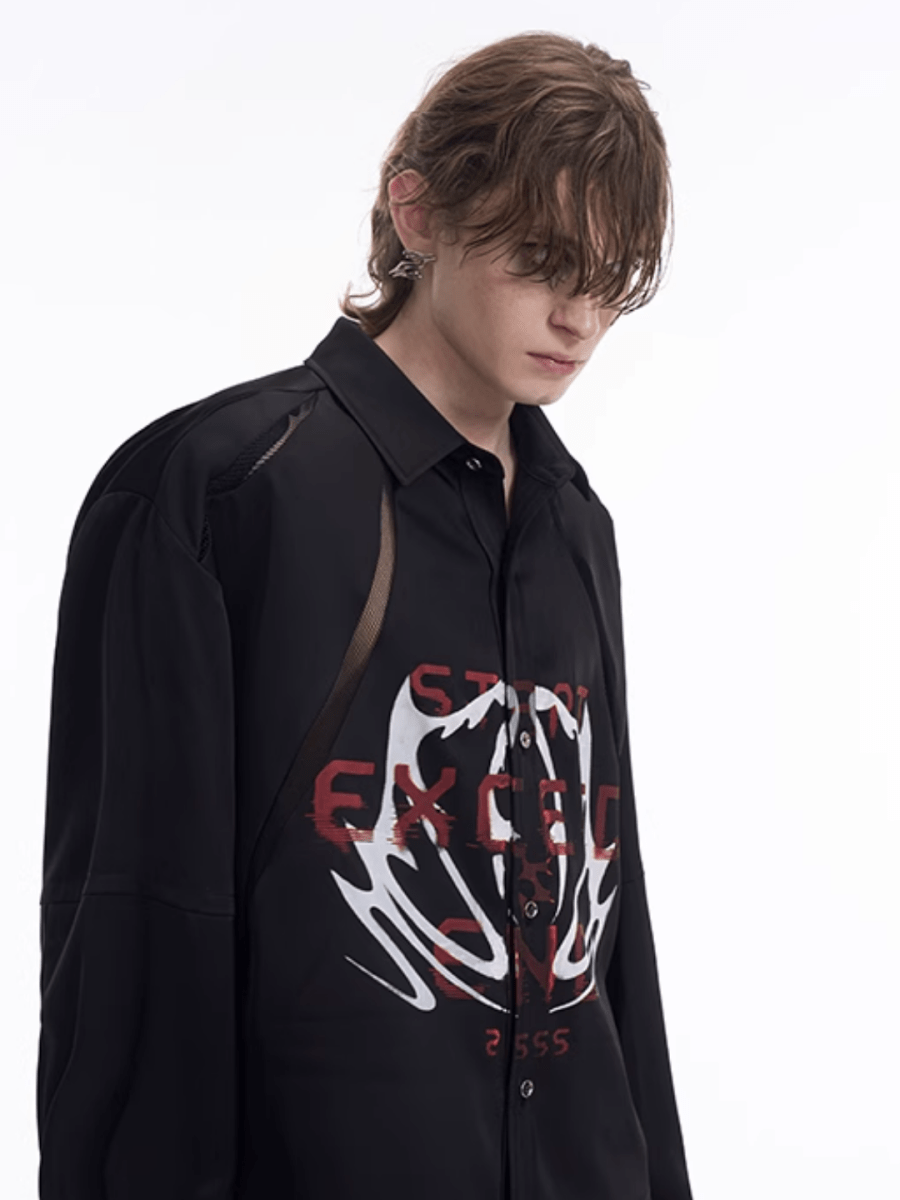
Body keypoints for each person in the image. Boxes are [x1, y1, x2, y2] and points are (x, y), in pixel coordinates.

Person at [36, 29, 693, 1200]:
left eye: (612, 280)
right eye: (544, 260)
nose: (580, 317)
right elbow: (137, 934)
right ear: (418, 210)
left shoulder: (574, 525)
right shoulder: (218, 492)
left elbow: (608, 921)